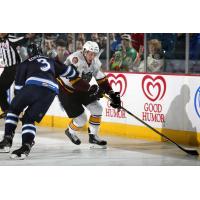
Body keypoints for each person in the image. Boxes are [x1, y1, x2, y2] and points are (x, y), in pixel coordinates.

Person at [0, 43, 91, 159]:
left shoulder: (25, 64)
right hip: (51, 90)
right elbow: (71, 73)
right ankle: (26, 146)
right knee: (29, 118)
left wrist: (17, 107)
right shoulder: (51, 60)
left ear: (29, 54)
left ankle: (7, 141)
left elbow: (18, 89)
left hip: (32, 86)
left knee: (13, 109)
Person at [56, 41, 121, 148]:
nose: (92, 56)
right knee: (81, 120)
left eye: (94, 54)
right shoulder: (75, 59)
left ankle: (93, 137)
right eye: (90, 53)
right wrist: (92, 89)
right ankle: (70, 131)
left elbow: (102, 79)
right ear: (84, 51)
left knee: (97, 108)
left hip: (82, 89)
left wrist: (112, 94)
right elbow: (74, 81)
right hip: (66, 91)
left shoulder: (95, 61)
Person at [0, 33, 34, 118]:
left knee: (19, 91)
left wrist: (28, 36)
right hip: (8, 69)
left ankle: (10, 110)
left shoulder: (11, 39)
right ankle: (7, 110)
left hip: (14, 68)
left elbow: (22, 39)